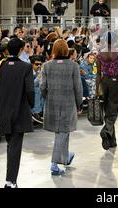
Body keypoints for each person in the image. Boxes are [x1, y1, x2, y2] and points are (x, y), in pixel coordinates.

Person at [0, 38, 35, 188]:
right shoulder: (26, 67)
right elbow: (30, 90)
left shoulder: (0, 66)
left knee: (11, 145)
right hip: (20, 110)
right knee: (14, 147)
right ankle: (10, 181)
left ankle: (10, 180)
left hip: (4, 111)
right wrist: (31, 104)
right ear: (21, 49)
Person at [41, 39, 82, 175]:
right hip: (68, 103)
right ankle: (54, 163)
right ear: (66, 50)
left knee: (62, 132)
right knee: (63, 132)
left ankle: (65, 157)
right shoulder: (73, 66)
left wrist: (47, 96)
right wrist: (79, 103)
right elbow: (78, 87)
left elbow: (42, 87)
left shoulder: (46, 66)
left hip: (52, 103)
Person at [96, 32, 118, 150]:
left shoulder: (99, 54)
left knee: (107, 111)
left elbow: (98, 74)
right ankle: (105, 131)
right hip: (115, 82)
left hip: (104, 82)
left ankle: (111, 140)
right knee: (113, 110)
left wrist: (96, 89)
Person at [30, 56, 44, 124]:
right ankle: (36, 112)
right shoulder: (29, 72)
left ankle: (42, 111)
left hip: (36, 89)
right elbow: (31, 85)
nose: (39, 66)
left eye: (40, 64)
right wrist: (38, 77)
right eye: (36, 64)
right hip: (30, 90)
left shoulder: (39, 72)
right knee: (37, 90)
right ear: (32, 64)